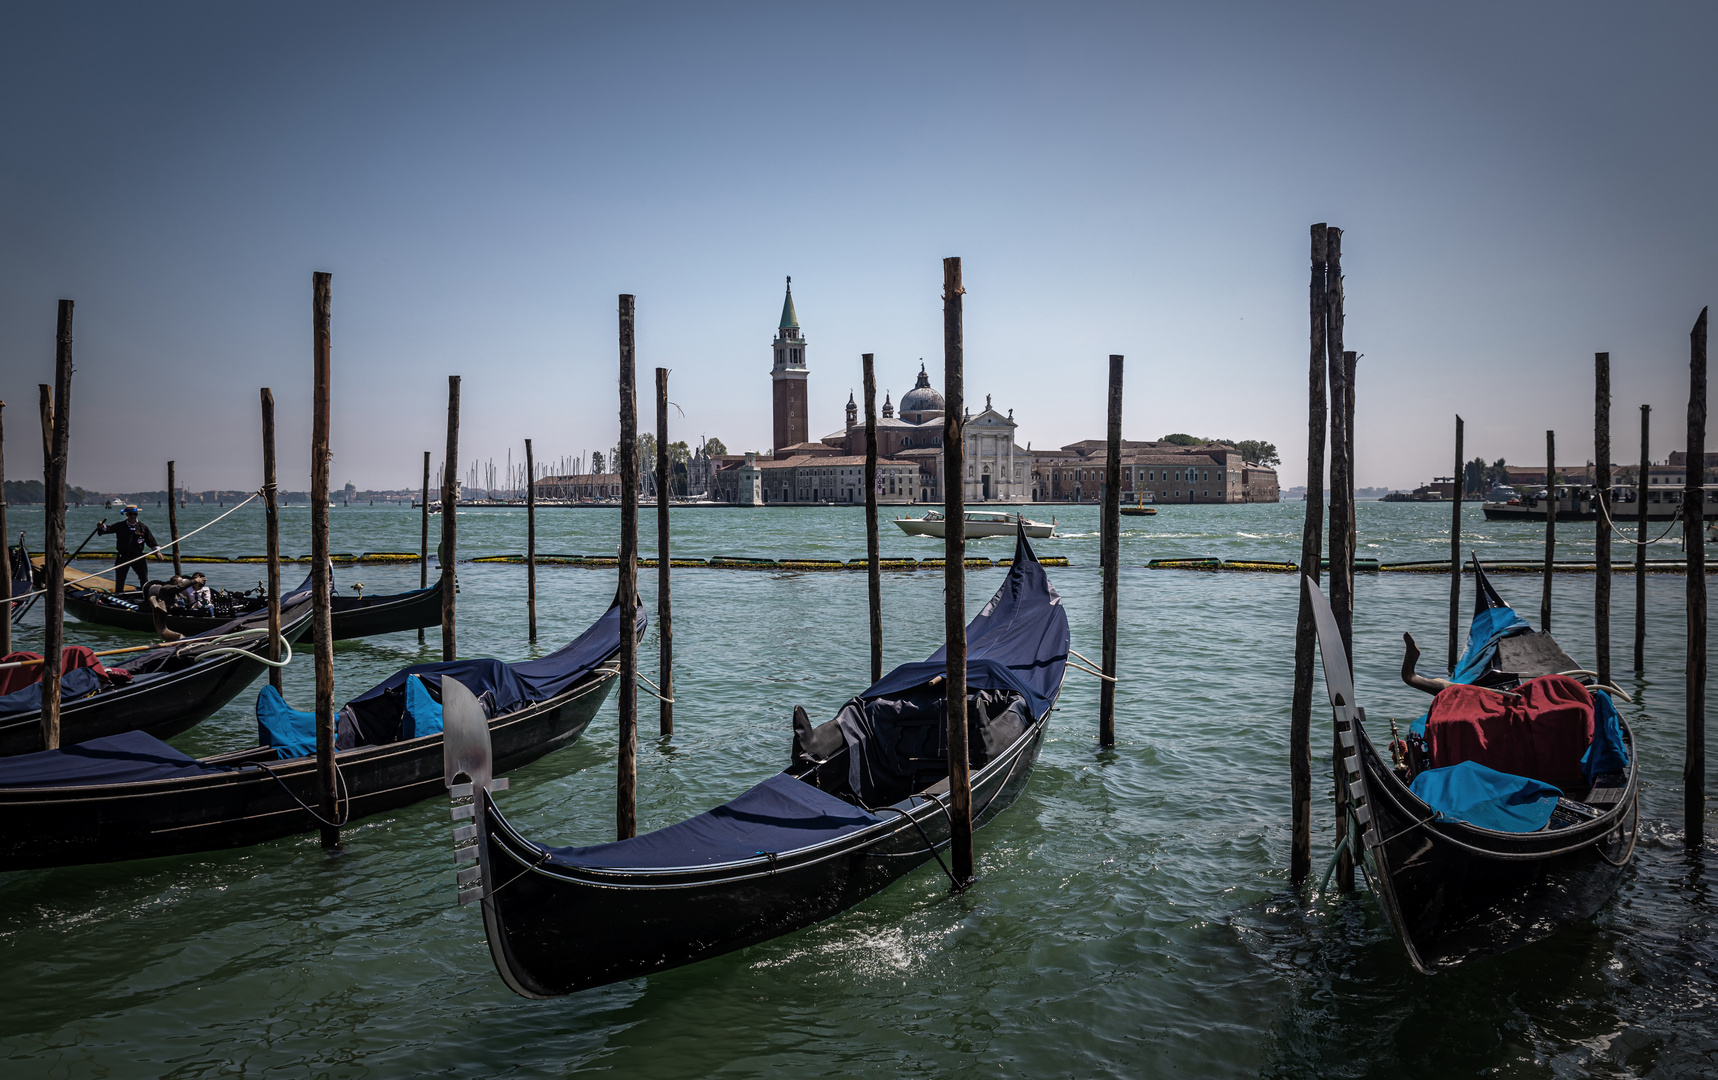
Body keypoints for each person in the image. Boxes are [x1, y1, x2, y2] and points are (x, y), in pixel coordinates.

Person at [96, 507, 161, 593]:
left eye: (135, 514)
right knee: (120, 579)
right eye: (130, 514)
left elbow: (151, 541)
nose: (133, 516)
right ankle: (119, 595)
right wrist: (101, 526)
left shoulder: (143, 527)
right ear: (127, 515)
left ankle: (145, 595)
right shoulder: (120, 525)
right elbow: (108, 529)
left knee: (143, 578)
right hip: (123, 556)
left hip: (137, 556)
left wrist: (157, 552)